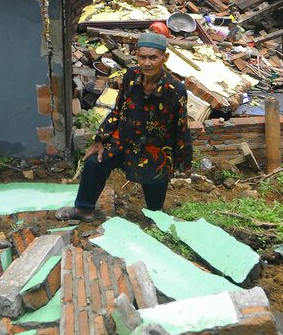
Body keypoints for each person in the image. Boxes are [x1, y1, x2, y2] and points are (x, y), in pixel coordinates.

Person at [56, 31, 191, 221]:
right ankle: (83, 210)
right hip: (125, 141)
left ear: (164, 57)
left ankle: (155, 215)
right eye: (142, 57)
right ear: (136, 55)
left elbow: (181, 126)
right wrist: (100, 139)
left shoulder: (175, 90)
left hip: (155, 149)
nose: (147, 63)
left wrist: (182, 159)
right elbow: (118, 109)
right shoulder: (131, 75)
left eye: (153, 57)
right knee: (94, 162)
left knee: (155, 189)